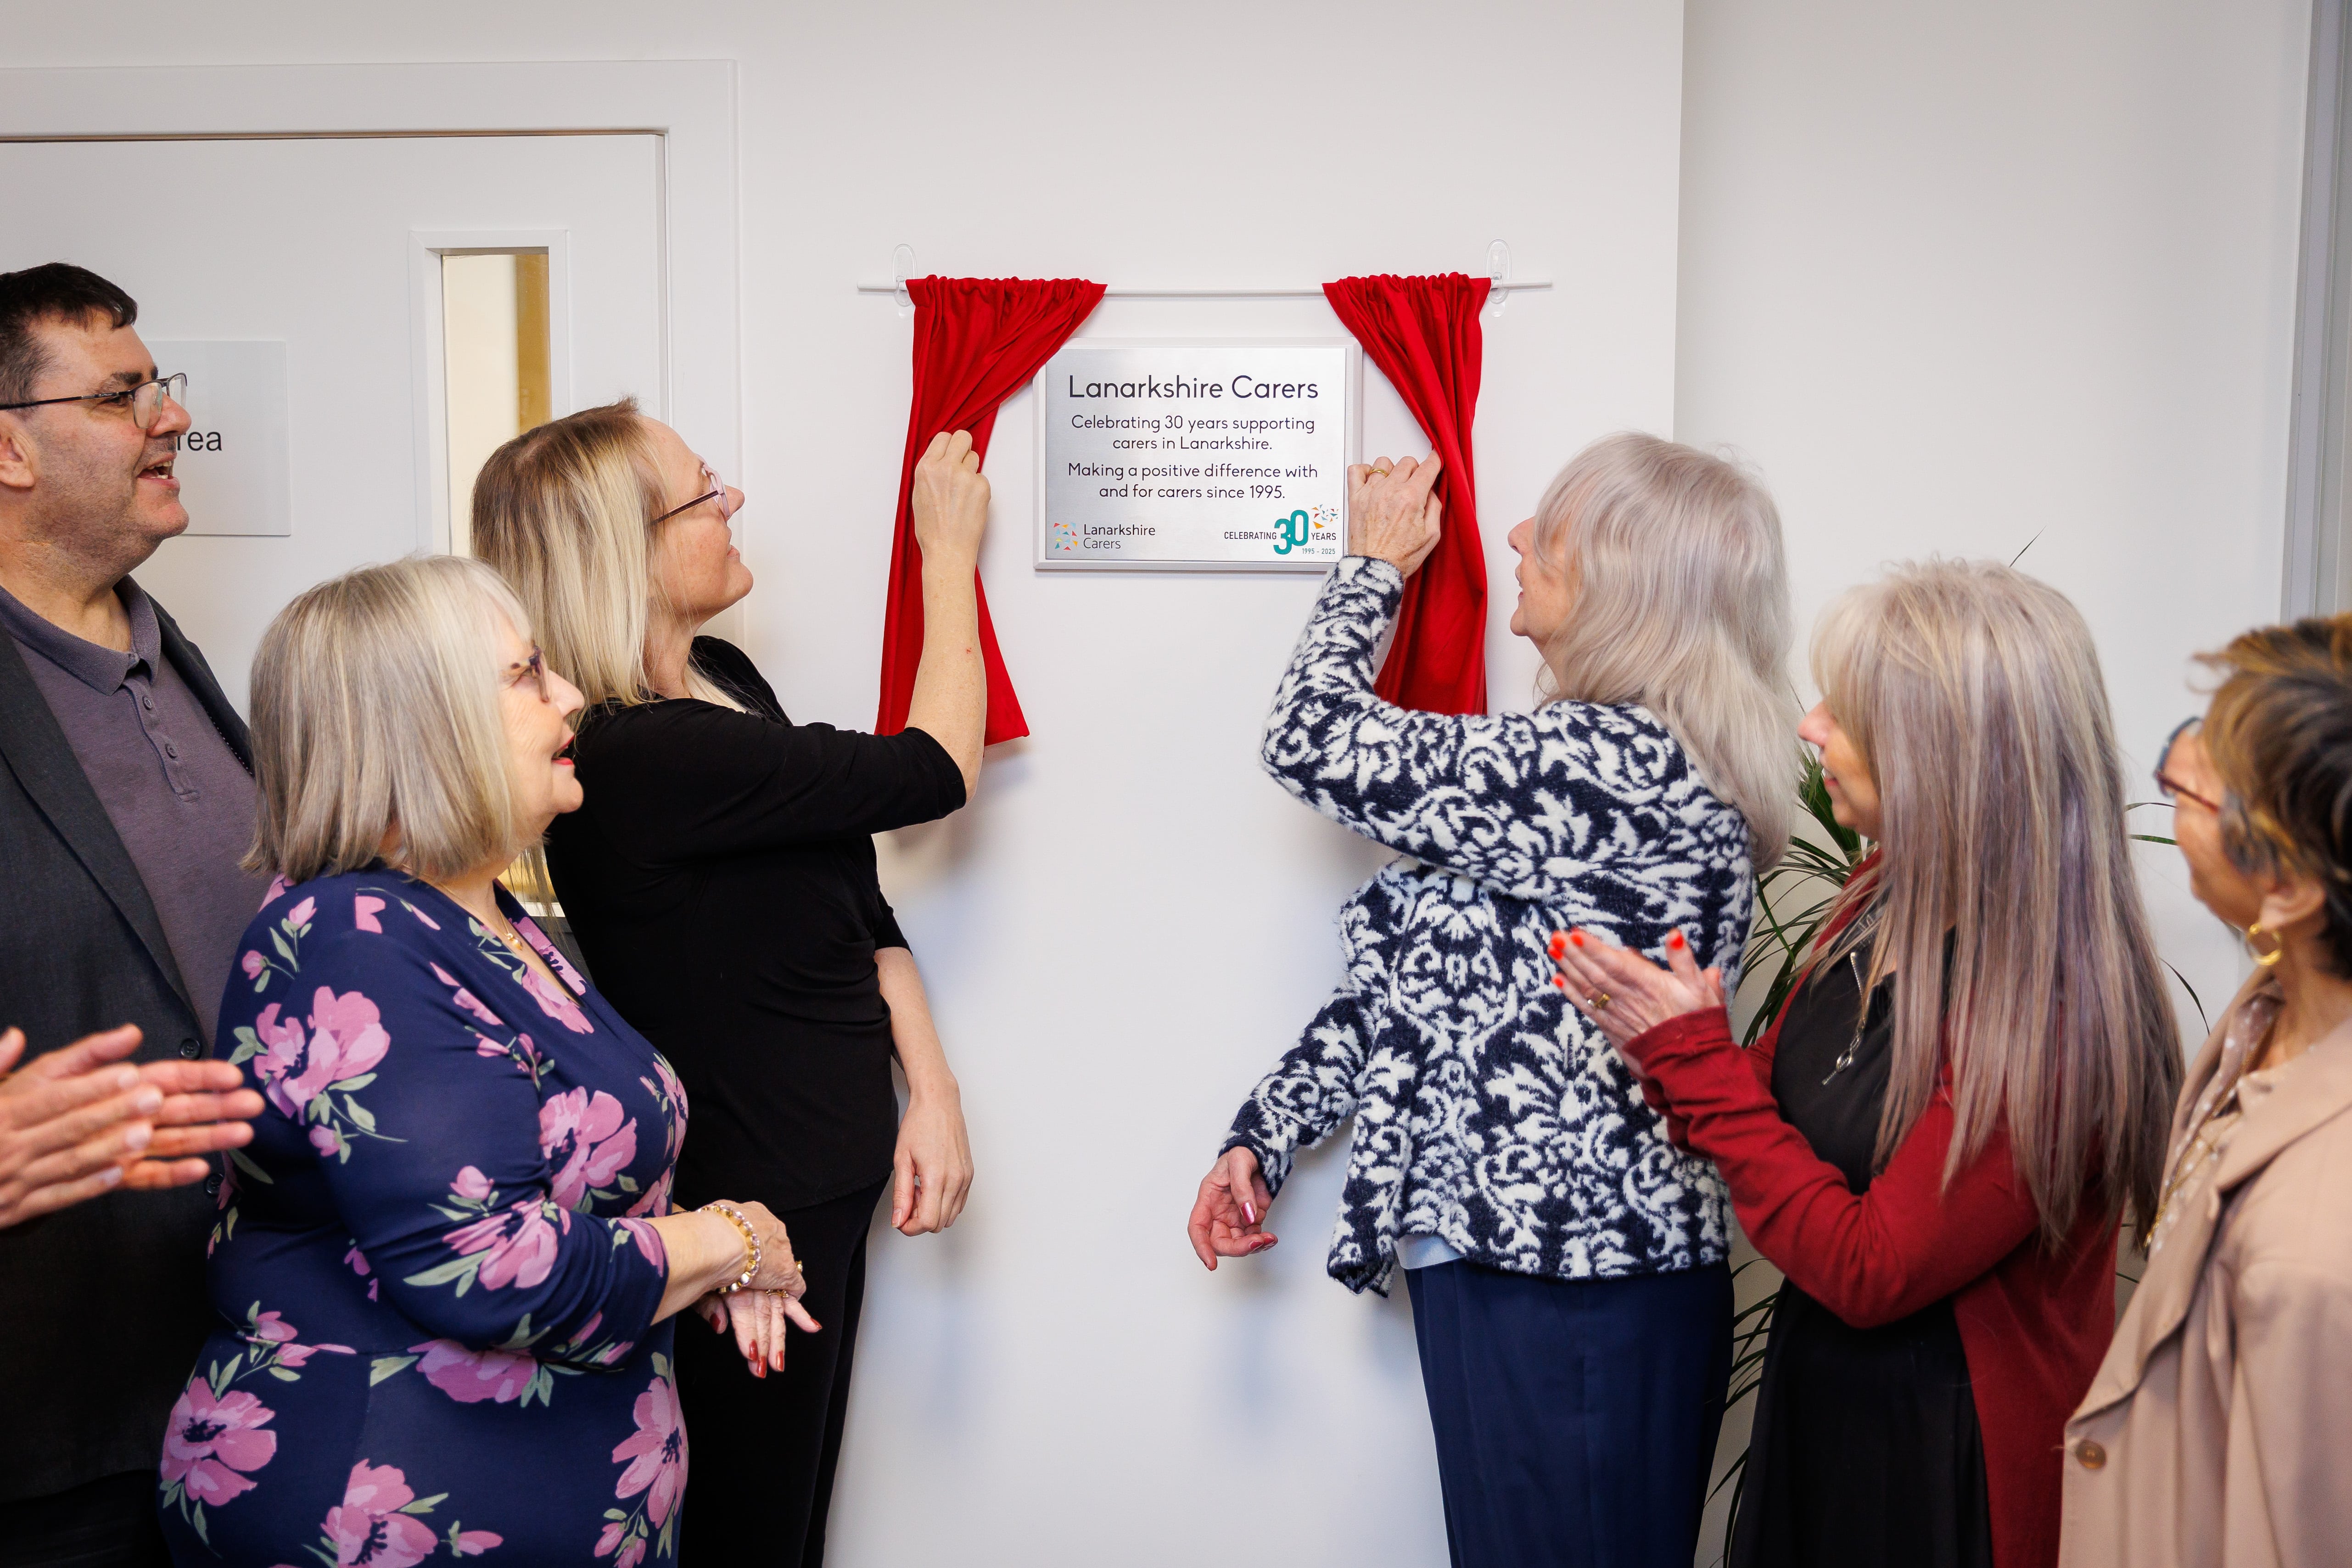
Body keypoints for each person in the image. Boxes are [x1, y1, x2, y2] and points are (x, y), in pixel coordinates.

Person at [1190, 434, 1800, 1568]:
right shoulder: (1583, 772)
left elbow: (1308, 739)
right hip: (1520, 1273)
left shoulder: (1610, 767)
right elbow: (1415, 992)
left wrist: (1374, 566)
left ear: (1626, 584)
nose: (1516, 539)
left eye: (1550, 532)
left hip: (1576, 1289)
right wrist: (1266, 1135)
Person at [159, 554, 813, 1565]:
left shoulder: (483, 912)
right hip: (382, 1508)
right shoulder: (354, 935)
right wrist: (731, 1239)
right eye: (526, 675)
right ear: (422, 725)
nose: (573, 697)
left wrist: (699, 1252)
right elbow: (488, 1264)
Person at [1554, 558, 2182, 1568]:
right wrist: (1678, 1042)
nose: (1810, 727)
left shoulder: (2056, 1019)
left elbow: (1871, 1267)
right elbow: (1775, 1112)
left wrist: (1701, 1068)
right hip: (1826, 1422)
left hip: (1944, 1479)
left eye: (1843, 711)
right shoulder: (1879, 895)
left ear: (1940, 754)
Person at [472, 403, 982, 1565]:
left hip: (828, 1186)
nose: (734, 501)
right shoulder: (635, 753)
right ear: (628, 549)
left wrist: (934, 1089)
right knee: (747, 1532)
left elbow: (859, 900)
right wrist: (945, 555)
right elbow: (933, 771)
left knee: (789, 1519)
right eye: (704, 492)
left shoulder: (721, 679)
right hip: (741, 1222)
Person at [0, 261, 268, 1563]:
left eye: (160, 387)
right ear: (8, 449)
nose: (168, 416)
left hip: (253, 1375)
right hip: (57, 1427)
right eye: (121, 395)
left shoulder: (180, 661)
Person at [2059, 618, 2352, 1566]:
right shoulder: (2270, 1012)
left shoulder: (2319, 1248)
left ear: (2293, 889)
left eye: (2192, 783)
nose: (2172, 776)